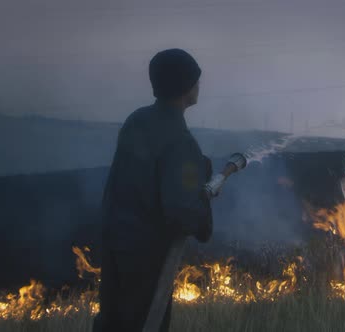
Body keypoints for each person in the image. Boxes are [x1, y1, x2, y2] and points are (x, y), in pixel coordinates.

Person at [93, 48, 213, 332]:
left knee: (112, 322)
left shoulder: (138, 120)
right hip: (147, 258)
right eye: (196, 80)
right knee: (145, 323)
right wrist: (202, 214)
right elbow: (181, 211)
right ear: (186, 87)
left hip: (116, 244)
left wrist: (197, 168)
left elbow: (147, 171)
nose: (199, 86)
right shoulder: (181, 141)